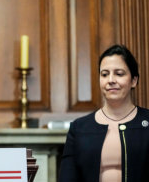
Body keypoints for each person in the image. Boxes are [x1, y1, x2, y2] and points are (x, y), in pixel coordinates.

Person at [59, 44, 149, 182]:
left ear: (134, 80)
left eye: (119, 74)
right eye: (105, 74)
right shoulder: (79, 128)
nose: (111, 80)